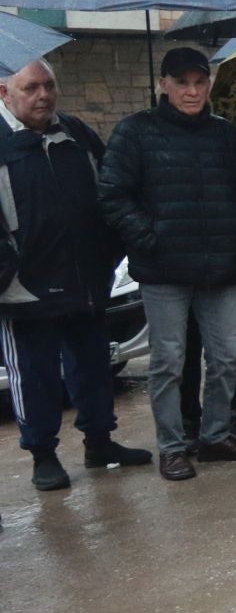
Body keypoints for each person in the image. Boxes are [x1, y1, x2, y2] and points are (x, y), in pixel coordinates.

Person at [97, 47, 236, 481]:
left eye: (199, 82)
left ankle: (214, 435)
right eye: (182, 82)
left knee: (227, 355)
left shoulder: (225, 135)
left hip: (218, 266)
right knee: (167, 362)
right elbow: (112, 194)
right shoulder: (135, 133)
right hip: (164, 270)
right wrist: (150, 238)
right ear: (163, 86)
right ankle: (172, 445)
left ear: (208, 85)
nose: (191, 91)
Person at [0, 58, 151, 493]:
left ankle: (100, 441)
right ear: (5, 94)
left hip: (86, 276)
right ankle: (42, 455)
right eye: (30, 88)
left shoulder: (77, 133)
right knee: (35, 373)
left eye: (49, 86)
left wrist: (110, 249)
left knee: (92, 365)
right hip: (25, 287)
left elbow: (109, 190)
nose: (43, 95)